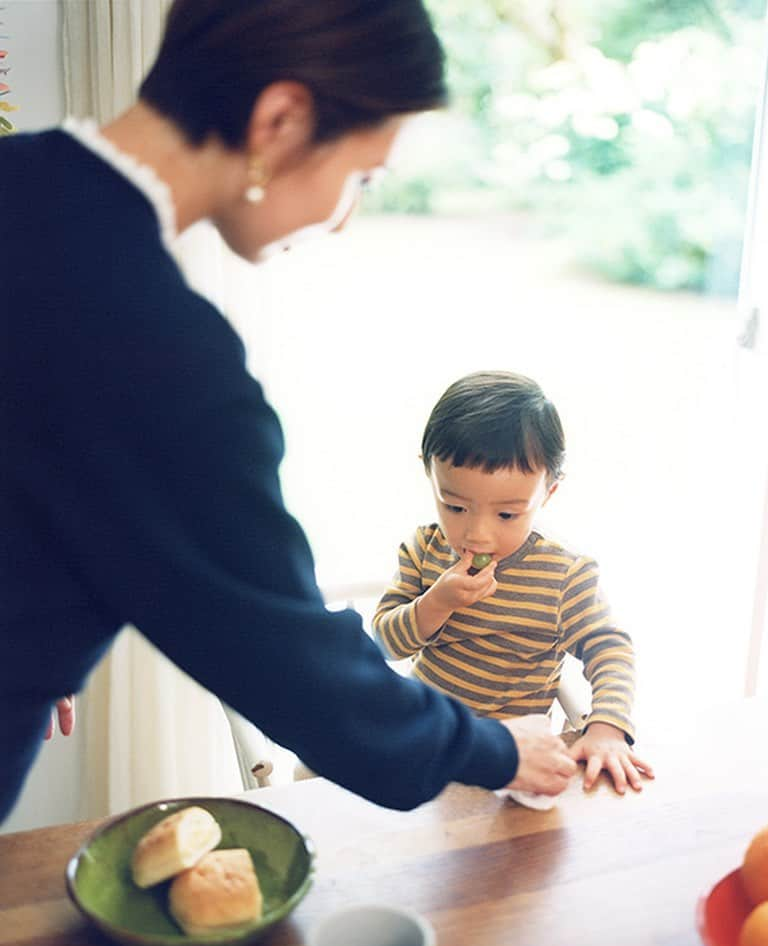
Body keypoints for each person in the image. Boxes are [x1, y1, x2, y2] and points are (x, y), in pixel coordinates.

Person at [0, 0, 577, 823]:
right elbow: (293, 667)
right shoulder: (159, 352)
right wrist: (495, 748)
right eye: (360, 176)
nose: (346, 216)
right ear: (279, 119)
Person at [373, 372, 655, 794]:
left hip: (511, 763)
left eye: (507, 515)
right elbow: (383, 643)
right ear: (430, 475)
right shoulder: (423, 549)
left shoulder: (563, 575)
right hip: (427, 742)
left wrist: (607, 728)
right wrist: (436, 603)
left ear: (548, 493)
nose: (477, 535)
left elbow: (611, 650)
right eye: (455, 506)